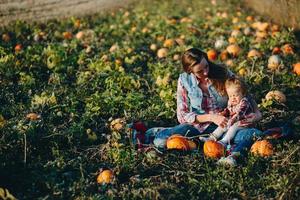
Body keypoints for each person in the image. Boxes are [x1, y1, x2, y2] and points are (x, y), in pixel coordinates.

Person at [147, 47, 263, 166]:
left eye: (206, 66)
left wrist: (257, 114)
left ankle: (224, 152)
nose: (206, 72)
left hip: (226, 125)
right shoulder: (184, 80)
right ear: (189, 71)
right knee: (160, 141)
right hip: (198, 126)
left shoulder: (222, 73)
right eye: (199, 71)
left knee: (254, 134)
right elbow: (182, 115)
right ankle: (169, 133)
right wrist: (212, 117)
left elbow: (244, 94)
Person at [199, 77, 256, 147]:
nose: (233, 98)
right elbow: (228, 110)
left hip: (245, 123)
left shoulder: (244, 102)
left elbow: (240, 113)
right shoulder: (231, 101)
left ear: (243, 94)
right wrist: (224, 113)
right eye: (230, 96)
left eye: (236, 95)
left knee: (234, 127)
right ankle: (211, 138)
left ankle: (224, 141)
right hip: (234, 121)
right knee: (222, 125)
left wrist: (232, 120)